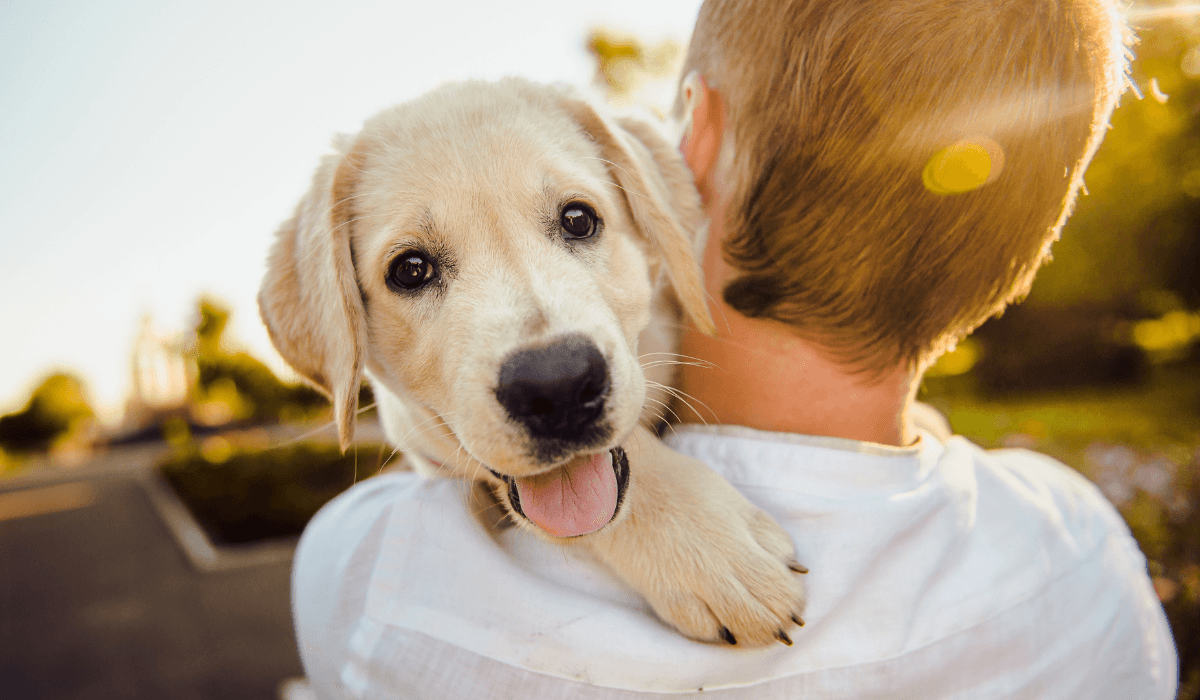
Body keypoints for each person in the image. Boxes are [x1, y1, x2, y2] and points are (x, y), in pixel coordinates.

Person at [290, 0, 1178, 697]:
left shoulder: (374, 583)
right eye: (414, 269)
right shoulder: (1084, 554)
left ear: (688, 152)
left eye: (575, 221)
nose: (549, 354)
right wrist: (642, 499)